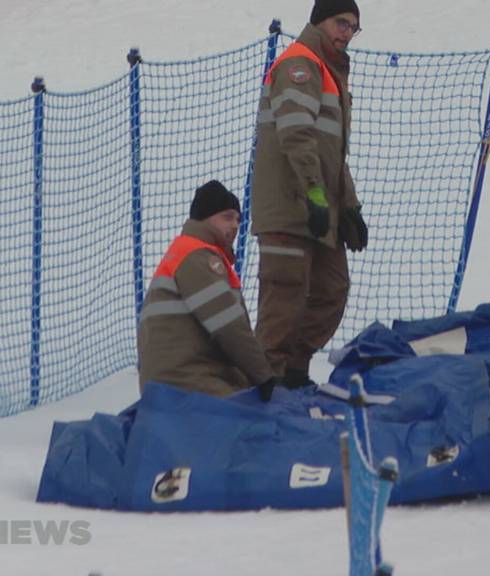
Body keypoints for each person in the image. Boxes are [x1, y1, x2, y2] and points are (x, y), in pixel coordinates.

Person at [251, 0, 368, 388]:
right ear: (320, 21)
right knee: (284, 298)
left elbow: (333, 155)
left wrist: (348, 208)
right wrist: (316, 197)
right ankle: (263, 383)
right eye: (341, 22)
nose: (346, 33)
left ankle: (295, 370)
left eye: (353, 27)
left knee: (332, 289)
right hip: (290, 208)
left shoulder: (332, 73)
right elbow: (297, 137)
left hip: (321, 212)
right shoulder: (299, 64)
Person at [137, 180, 278, 400]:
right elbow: (228, 325)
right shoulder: (198, 258)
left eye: (238, 219)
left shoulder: (186, 252)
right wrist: (264, 376)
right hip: (186, 384)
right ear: (205, 217)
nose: (235, 225)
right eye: (227, 217)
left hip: (173, 382)